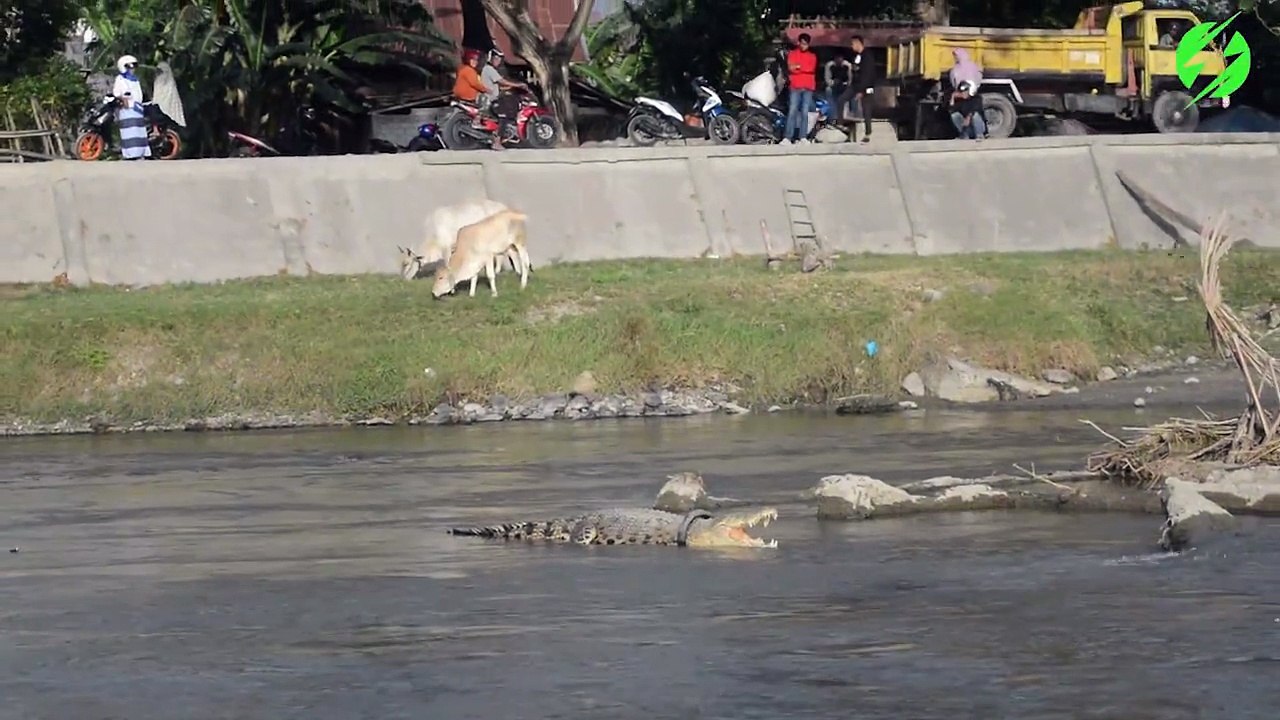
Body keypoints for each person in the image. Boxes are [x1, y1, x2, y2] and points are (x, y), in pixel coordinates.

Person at [452, 48, 502, 150]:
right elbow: (475, 83)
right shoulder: (469, 70)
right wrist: (486, 90)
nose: (475, 62)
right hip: (468, 95)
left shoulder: (463, 69)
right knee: (486, 102)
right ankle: (477, 120)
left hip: (462, 95)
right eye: (473, 60)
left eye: (476, 60)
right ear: (468, 60)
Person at [835, 35, 877, 143]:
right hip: (855, 85)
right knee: (841, 99)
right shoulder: (857, 57)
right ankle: (840, 123)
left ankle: (868, 134)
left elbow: (868, 75)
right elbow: (855, 72)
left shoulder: (868, 56)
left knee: (866, 110)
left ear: (858, 43)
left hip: (867, 87)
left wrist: (862, 91)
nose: (851, 46)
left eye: (852, 44)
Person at [112, 55, 151, 160]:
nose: (133, 70)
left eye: (134, 67)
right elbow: (116, 92)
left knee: (139, 131)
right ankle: (130, 154)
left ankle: (141, 152)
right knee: (129, 131)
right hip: (127, 109)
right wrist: (123, 99)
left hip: (138, 108)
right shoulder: (120, 79)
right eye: (130, 67)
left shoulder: (135, 79)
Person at [783, 33, 817, 144]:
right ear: (798, 42)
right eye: (802, 43)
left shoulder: (812, 56)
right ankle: (787, 137)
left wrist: (798, 66)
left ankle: (803, 137)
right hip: (795, 86)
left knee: (805, 112)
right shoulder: (792, 54)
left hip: (808, 86)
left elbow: (811, 68)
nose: (804, 46)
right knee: (792, 111)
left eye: (806, 44)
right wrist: (800, 67)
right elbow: (791, 68)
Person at [480, 48, 529, 121]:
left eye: (499, 59)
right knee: (507, 113)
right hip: (490, 99)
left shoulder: (489, 69)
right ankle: (503, 130)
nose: (498, 61)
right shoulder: (489, 69)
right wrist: (519, 85)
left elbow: (497, 86)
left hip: (492, 98)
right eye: (496, 59)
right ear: (491, 59)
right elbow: (502, 81)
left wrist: (510, 87)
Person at [824, 53, 852, 120]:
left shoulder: (847, 65)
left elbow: (850, 79)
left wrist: (845, 84)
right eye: (837, 58)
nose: (839, 60)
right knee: (828, 90)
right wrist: (833, 83)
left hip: (844, 85)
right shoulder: (829, 65)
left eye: (840, 58)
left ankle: (846, 115)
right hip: (833, 85)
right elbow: (827, 78)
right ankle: (832, 115)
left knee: (850, 91)